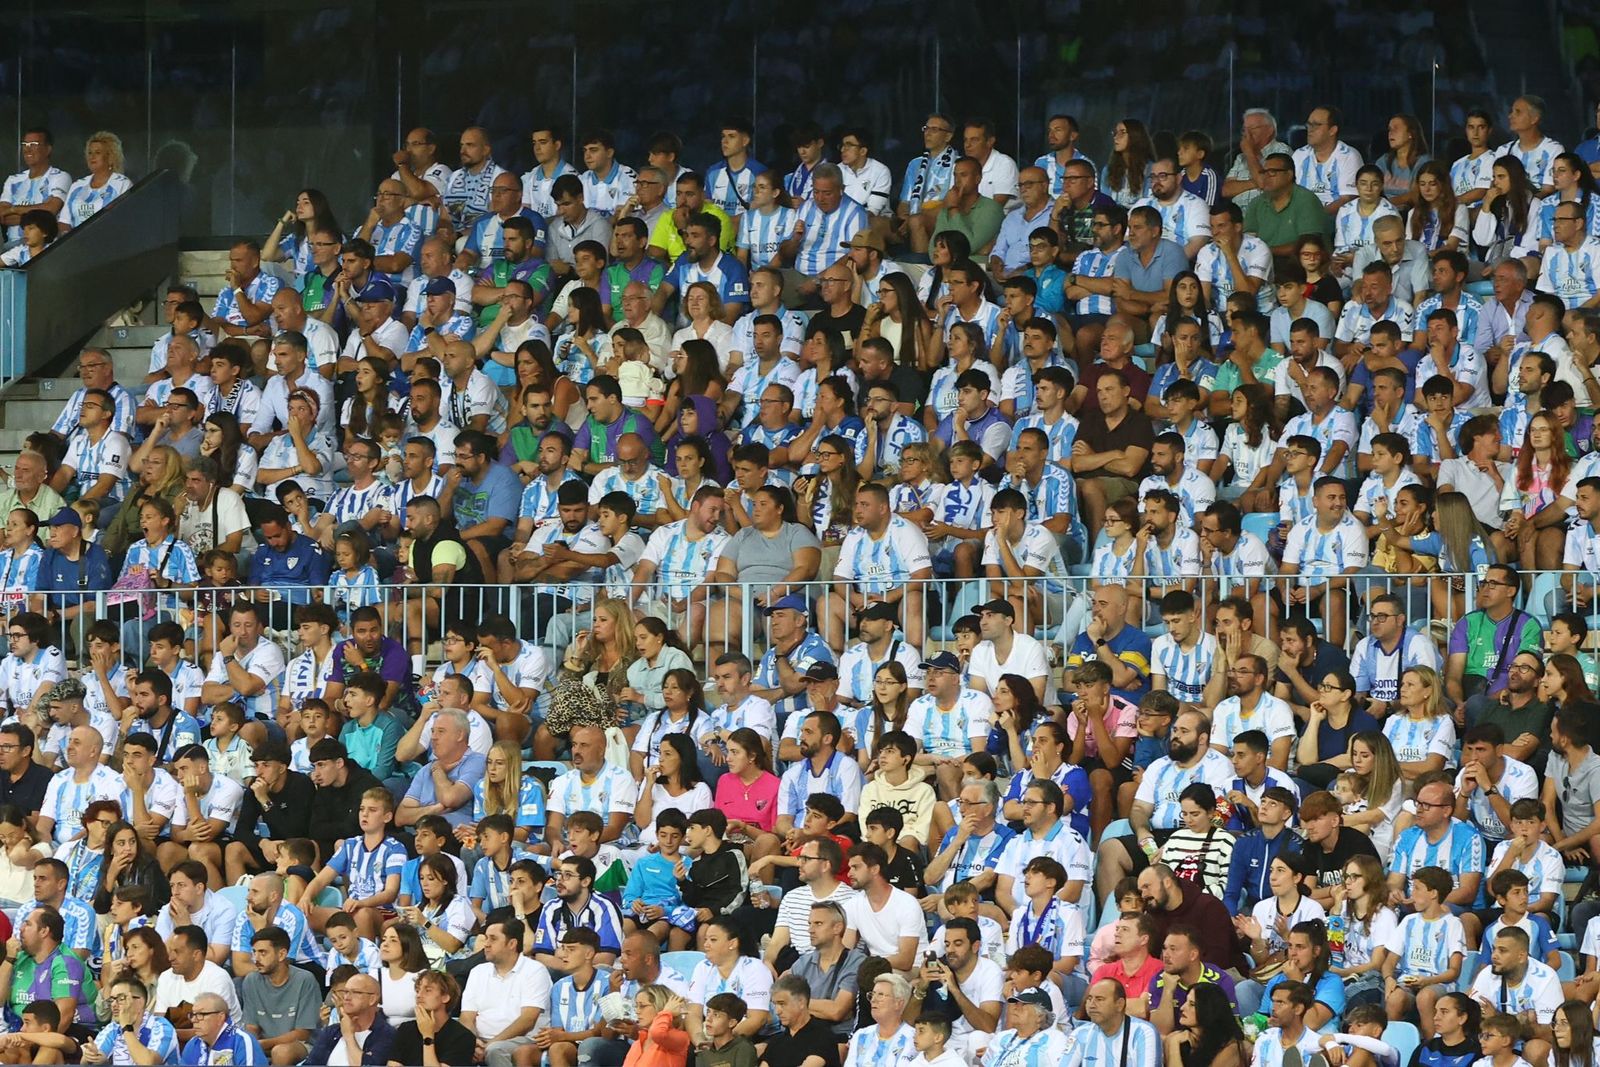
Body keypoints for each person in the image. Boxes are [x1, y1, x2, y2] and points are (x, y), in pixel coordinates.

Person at [460, 918, 550, 1067]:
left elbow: (527, 1020)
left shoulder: (534, 970)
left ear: (512, 944)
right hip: (481, 1040)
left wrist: (491, 1043)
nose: (486, 944)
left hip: (523, 1039)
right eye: (486, 938)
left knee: (496, 1050)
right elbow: (466, 1016)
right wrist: (473, 1042)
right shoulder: (478, 972)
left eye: (493, 939)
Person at [238, 926, 321, 1065]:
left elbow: (302, 1033)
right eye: (254, 952)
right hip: (263, 1044)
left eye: (263, 952)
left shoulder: (305, 980)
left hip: (300, 1045)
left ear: (281, 954)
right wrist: (251, 1045)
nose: (256, 959)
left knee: (281, 1052)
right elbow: (251, 1026)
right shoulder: (251, 980)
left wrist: (265, 1044)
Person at [302, 971, 395, 1067]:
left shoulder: (387, 1035)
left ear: (372, 999)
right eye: (345, 992)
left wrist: (349, 1036)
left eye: (355, 992)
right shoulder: (331, 1032)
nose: (346, 997)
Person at [385, 970, 477, 1067]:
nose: (419, 995)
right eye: (417, 990)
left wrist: (427, 1037)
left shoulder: (462, 1037)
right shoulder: (405, 1029)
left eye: (428, 990)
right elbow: (393, 1064)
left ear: (445, 997)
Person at [1062, 979, 1160, 1067]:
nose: (1091, 1005)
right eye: (1089, 999)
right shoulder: (1080, 1033)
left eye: (1099, 999)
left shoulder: (1142, 1032)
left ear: (1119, 1004)